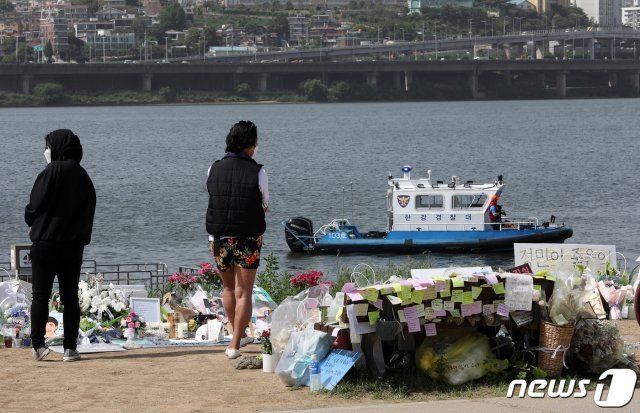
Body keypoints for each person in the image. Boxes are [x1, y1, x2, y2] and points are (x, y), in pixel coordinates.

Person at [25, 129, 96, 362]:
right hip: (73, 246)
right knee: (70, 298)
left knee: (40, 296)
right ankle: (70, 348)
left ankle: (38, 345)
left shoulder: (51, 171)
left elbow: (34, 205)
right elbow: (89, 210)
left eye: (48, 147)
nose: (46, 151)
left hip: (45, 243)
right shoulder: (84, 176)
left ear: (56, 148)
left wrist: (31, 219)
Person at [206, 120, 268, 359]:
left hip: (218, 237)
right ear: (250, 145)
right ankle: (234, 344)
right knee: (244, 292)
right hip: (247, 238)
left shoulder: (213, 168)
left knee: (229, 288)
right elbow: (264, 203)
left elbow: (214, 195)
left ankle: (238, 335)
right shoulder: (258, 171)